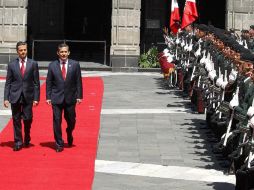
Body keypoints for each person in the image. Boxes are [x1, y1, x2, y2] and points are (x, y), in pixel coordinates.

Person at [46, 43, 83, 152]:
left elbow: (78, 81)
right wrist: (48, 96)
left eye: (65, 52)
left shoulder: (75, 64)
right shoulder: (52, 65)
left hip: (70, 98)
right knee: (57, 121)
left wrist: (79, 96)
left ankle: (69, 132)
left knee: (71, 120)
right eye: (61, 52)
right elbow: (49, 82)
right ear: (58, 53)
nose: (63, 54)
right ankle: (59, 144)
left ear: (68, 52)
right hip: (56, 98)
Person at [4, 41, 40, 151]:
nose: (23, 52)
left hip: (28, 96)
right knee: (16, 119)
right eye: (21, 50)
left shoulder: (33, 64)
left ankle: (27, 136)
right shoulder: (11, 65)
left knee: (27, 118)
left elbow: (36, 83)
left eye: (24, 50)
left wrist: (36, 98)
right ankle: (18, 142)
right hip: (15, 95)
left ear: (27, 50)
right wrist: (6, 98)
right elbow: (8, 83)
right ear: (17, 51)